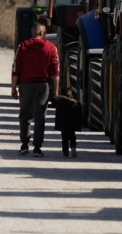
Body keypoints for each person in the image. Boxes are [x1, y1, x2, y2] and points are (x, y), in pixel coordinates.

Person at [11, 23, 59, 157]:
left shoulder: (23, 46)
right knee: (40, 117)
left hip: (26, 85)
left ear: (32, 33)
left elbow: (16, 69)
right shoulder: (51, 48)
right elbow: (56, 71)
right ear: (43, 33)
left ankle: (24, 144)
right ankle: (37, 147)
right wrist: (55, 90)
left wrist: (14, 87)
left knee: (25, 116)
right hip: (43, 86)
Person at [55, 89, 82, 158]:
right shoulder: (74, 104)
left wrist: (58, 125)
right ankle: (73, 147)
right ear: (72, 96)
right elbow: (78, 115)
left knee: (64, 139)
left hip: (63, 126)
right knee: (72, 137)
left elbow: (58, 115)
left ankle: (65, 153)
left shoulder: (59, 104)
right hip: (72, 125)